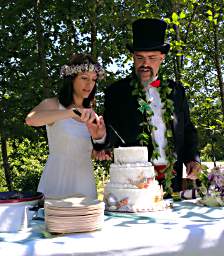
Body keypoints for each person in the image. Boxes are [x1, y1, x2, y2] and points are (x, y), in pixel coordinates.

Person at [93, 18, 201, 195]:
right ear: (133, 58)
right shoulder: (117, 92)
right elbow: (109, 131)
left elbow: (187, 128)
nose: (145, 64)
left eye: (152, 58)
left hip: (171, 175)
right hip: (135, 179)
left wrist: (192, 158)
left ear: (162, 58)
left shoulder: (176, 91)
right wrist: (99, 141)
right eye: (140, 58)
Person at [25, 53, 106, 199]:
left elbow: (91, 153)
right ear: (71, 78)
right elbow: (31, 120)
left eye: (93, 80)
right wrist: (72, 113)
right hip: (56, 182)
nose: (89, 85)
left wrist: (99, 143)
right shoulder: (53, 104)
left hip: (84, 184)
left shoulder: (92, 114)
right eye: (84, 78)